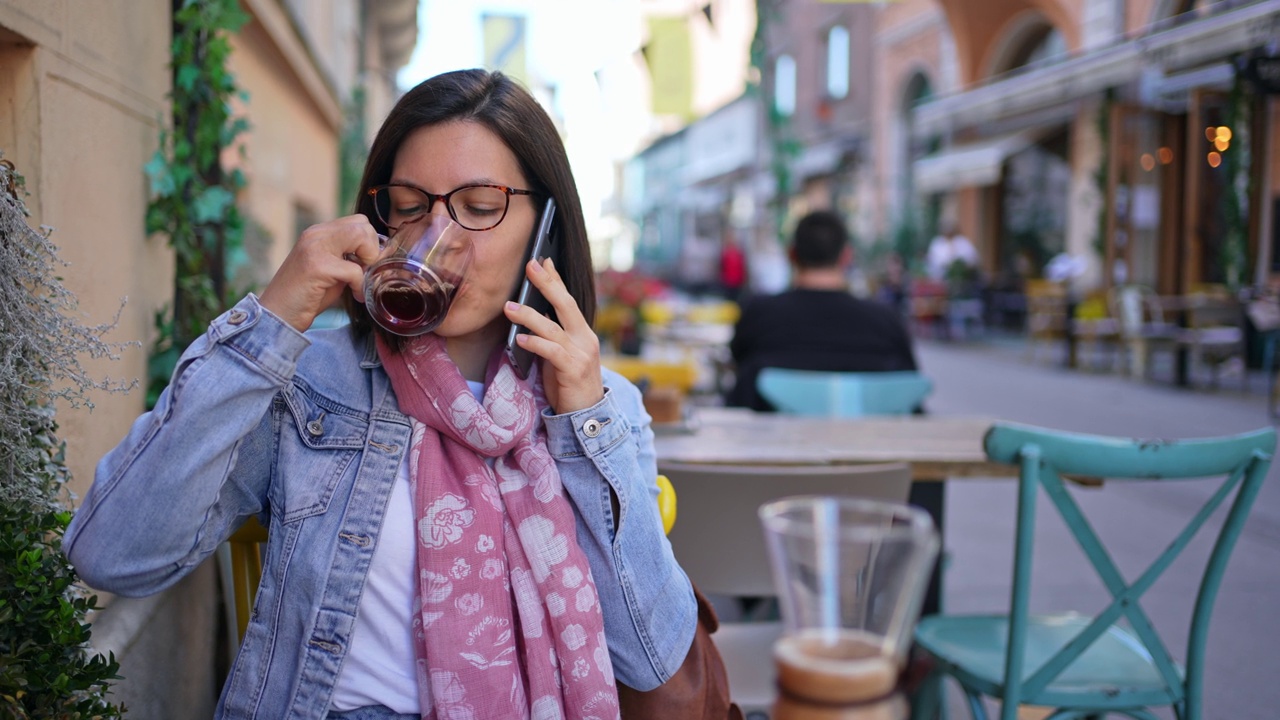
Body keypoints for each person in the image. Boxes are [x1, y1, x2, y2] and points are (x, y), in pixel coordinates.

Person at [64, 70, 711, 720]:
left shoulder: (598, 406)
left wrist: (585, 423)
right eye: (409, 204)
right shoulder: (310, 382)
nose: (441, 235)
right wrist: (272, 320)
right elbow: (112, 556)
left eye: (480, 207)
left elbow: (650, 657)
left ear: (545, 228)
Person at [726, 210, 918, 411]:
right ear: (846, 256)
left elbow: (737, 362)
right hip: (870, 439)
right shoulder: (886, 320)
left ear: (791, 254)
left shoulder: (758, 313)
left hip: (771, 440)